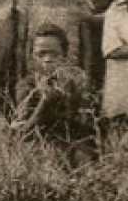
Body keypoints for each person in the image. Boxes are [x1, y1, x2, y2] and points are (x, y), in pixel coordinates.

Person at [12, 23, 97, 162]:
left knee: (83, 157)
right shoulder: (26, 85)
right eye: (41, 54)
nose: (48, 59)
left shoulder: (77, 80)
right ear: (32, 56)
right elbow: (23, 132)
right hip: (39, 142)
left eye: (54, 54)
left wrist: (71, 97)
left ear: (64, 56)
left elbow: (86, 124)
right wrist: (45, 102)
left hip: (72, 142)